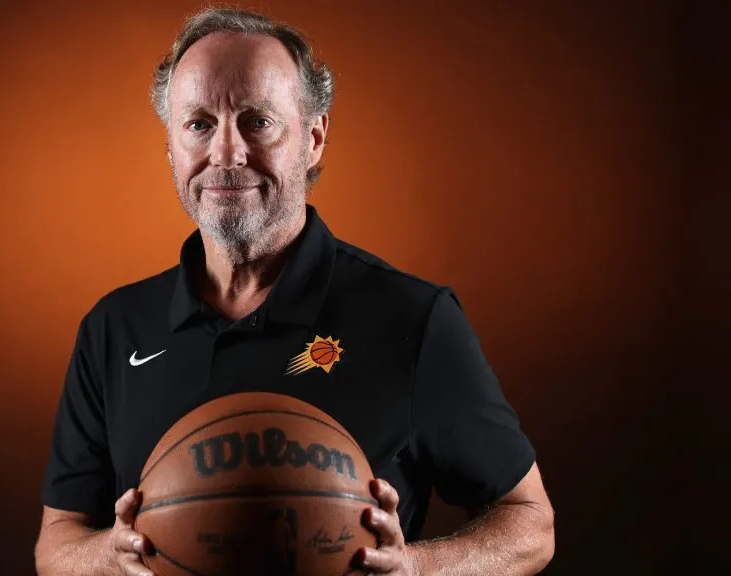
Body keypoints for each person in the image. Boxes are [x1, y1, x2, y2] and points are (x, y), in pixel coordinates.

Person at [34, 7, 554, 576]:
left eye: (257, 121)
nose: (226, 154)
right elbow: (56, 543)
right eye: (199, 124)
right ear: (170, 146)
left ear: (313, 138)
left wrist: (415, 569)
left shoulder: (413, 318)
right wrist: (106, 556)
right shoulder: (114, 328)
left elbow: (530, 525)